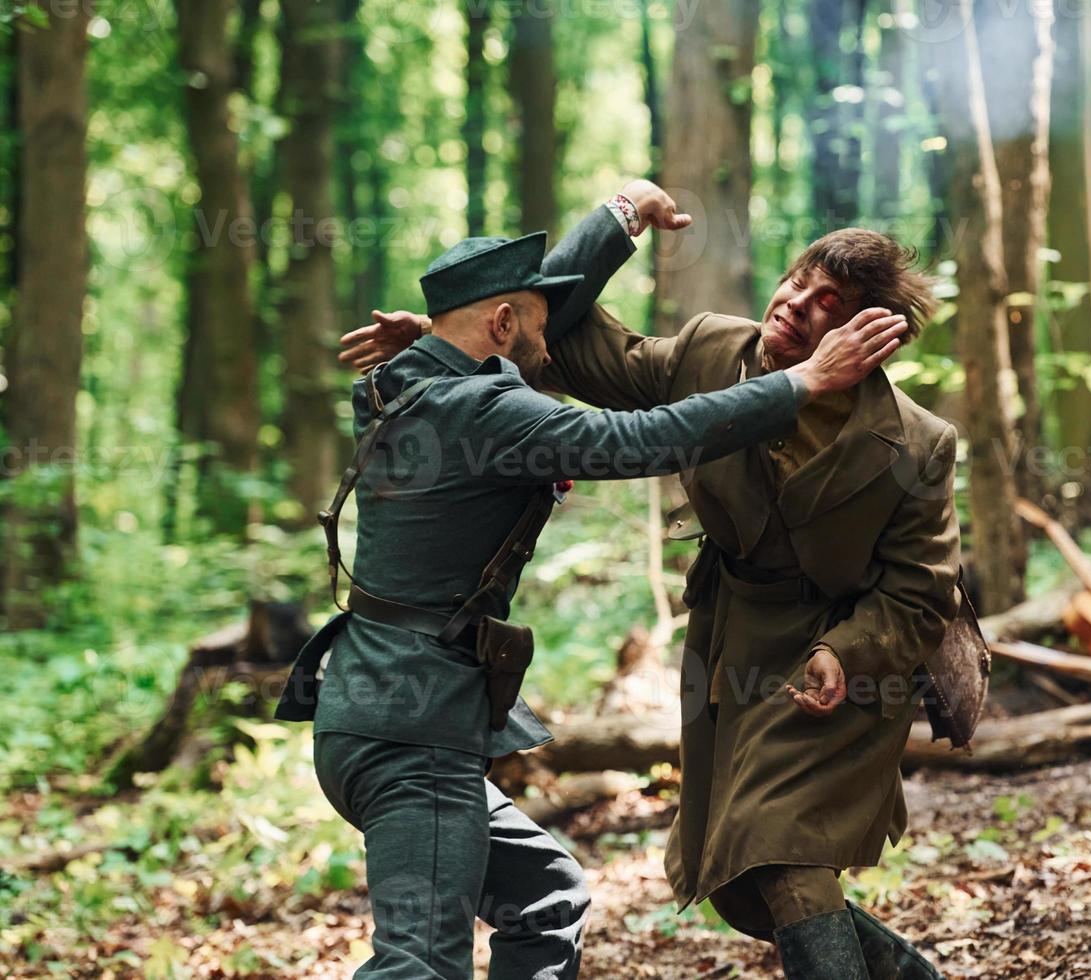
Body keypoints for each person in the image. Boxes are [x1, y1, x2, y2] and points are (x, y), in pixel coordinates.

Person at [275, 183, 908, 980]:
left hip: (380, 713)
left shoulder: (404, 377)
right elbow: (648, 437)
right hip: (412, 733)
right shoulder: (492, 413)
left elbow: (515, 310)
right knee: (419, 966)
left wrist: (620, 215)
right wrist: (804, 383)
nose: (554, 347)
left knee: (546, 896)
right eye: (537, 332)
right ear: (500, 329)